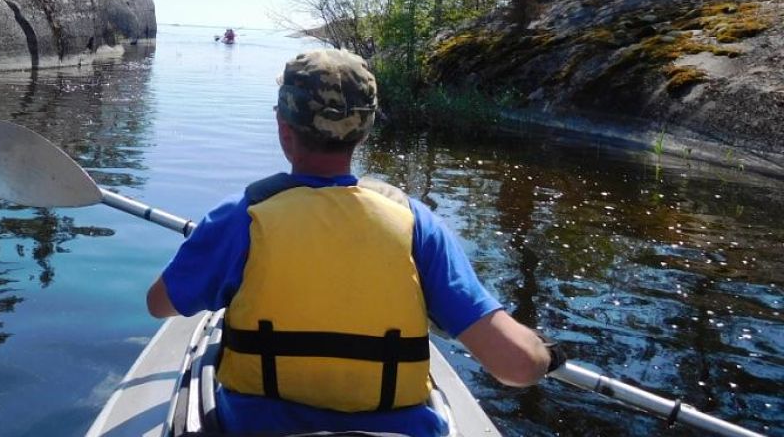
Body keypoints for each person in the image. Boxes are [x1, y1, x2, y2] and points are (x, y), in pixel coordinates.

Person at [146, 48, 564, 436]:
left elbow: (159, 304)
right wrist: (545, 354)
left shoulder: (241, 216)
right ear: (362, 134)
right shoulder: (416, 224)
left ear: (284, 129)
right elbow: (518, 366)